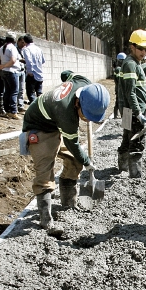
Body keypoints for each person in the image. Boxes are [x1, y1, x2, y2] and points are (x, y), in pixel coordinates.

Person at [22, 75, 110, 234]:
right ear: (77, 103)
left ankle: (68, 203)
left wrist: (81, 160)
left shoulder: (85, 85)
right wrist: (87, 161)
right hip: (39, 126)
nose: (87, 120)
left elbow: (68, 74)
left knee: (74, 161)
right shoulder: (67, 115)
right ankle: (46, 221)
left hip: (54, 121)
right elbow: (72, 144)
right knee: (45, 172)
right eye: (86, 115)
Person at [117, 29, 146, 178]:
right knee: (137, 143)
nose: (144, 52)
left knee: (126, 138)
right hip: (132, 112)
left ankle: (123, 166)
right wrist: (138, 113)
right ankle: (135, 176)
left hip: (127, 111)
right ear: (132, 47)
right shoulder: (131, 64)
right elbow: (130, 92)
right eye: (141, 49)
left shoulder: (134, 63)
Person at [0, 34, 22, 119]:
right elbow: (13, 60)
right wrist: (4, 65)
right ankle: (13, 111)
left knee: (7, 91)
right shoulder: (12, 48)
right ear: (14, 40)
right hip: (12, 71)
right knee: (14, 92)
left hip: (4, 72)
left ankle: (7, 110)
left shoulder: (2, 48)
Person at [21, 34, 45, 104]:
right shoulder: (39, 49)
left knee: (31, 93)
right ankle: (42, 108)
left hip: (32, 74)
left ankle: (35, 109)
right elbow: (43, 61)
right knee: (39, 94)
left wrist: (30, 72)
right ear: (32, 40)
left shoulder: (26, 49)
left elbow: (29, 61)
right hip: (40, 74)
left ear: (24, 42)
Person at [113, 52, 126, 119]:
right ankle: (116, 115)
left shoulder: (119, 68)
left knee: (118, 102)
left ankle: (116, 115)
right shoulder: (118, 69)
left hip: (118, 88)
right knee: (118, 102)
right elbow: (119, 80)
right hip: (119, 89)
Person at [17, 36, 27, 112]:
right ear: (18, 41)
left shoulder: (23, 50)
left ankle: (20, 105)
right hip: (16, 71)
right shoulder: (15, 49)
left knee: (21, 89)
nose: (24, 44)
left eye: (24, 43)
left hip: (22, 70)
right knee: (16, 90)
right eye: (22, 42)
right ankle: (16, 105)